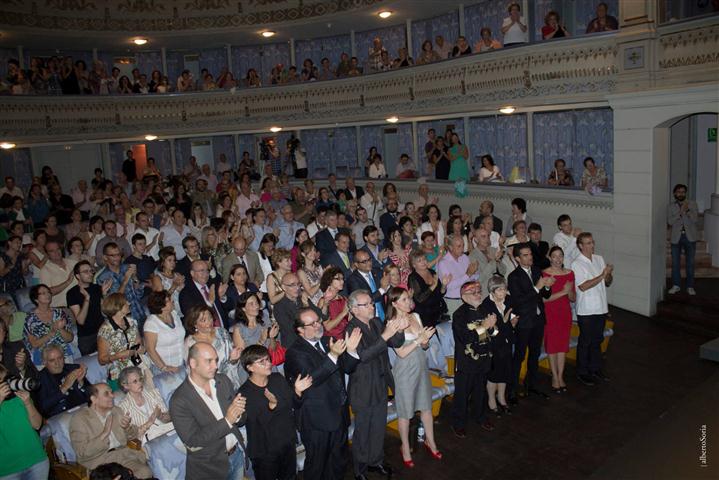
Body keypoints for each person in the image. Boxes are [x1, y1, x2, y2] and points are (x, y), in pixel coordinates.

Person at [284, 307, 361, 480]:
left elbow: (347, 368)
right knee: (317, 466)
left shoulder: (328, 341)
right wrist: (333, 355)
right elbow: (312, 380)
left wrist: (351, 351)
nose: (318, 325)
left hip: (339, 413)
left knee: (338, 461)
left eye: (318, 321)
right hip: (316, 420)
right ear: (300, 330)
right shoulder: (295, 353)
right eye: (312, 324)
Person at [346, 290, 407, 480]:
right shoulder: (351, 329)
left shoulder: (376, 322)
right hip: (363, 388)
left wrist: (399, 329)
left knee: (379, 427)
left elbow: (395, 342)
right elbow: (363, 356)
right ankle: (360, 470)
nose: (373, 306)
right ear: (355, 309)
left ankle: (376, 461)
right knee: (363, 432)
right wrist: (385, 336)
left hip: (380, 383)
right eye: (367, 304)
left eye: (372, 303)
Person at [170, 342, 247, 480]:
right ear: (192, 363)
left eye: (216, 360)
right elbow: (193, 440)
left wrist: (239, 413)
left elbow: (241, 418)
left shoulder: (223, 381)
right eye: (209, 361)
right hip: (210, 468)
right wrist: (228, 420)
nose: (216, 366)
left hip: (236, 456)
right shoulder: (179, 400)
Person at [238, 345, 312, 480]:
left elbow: (294, 405)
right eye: (262, 362)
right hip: (265, 452)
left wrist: (297, 392)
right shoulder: (244, 392)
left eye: (268, 359)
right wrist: (271, 406)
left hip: (287, 443)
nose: (268, 364)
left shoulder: (277, 378)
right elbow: (257, 423)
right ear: (250, 368)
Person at [386, 287, 441, 467]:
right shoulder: (392, 323)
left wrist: (425, 341)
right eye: (403, 300)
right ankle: (405, 446)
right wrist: (419, 340)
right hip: (404, 371)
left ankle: (430, 441)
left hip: (421, 366)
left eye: (408, 299)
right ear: (394, 303)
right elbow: (401, 353)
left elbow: (424, 346)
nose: (408, 302)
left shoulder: (416, 316)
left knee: (426, 407)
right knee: (405, 413)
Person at [69, 382, 152, 477]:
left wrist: (127, 428)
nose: (112, 396)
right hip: (100, 464)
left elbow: (133, 435)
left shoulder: (116, 411)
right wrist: (104, 434)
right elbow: (82, 452)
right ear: (94, 399)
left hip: (122, 457)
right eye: (106, 394)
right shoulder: (80, 419)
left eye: (111, 392)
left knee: (145, 472)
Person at [507, 244, 554, 402]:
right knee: (519, 356)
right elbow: (519, 302)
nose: (530, 257)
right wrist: (537, 288)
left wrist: (547, 287)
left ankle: (531, 384)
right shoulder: (513, 277)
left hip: (538, 319)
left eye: (530, 254)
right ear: (518, 258)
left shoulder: (536, 270)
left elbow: (545, 295)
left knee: (535, 354)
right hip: (524, 321)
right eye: (525, 255)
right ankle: (512, 390)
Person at [450, 281, 497, 438]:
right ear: (464, 297)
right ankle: (458, 423)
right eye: (474, 293)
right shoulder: (459, 315)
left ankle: (481, 417)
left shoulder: (485, 310)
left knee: (480, 391)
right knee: (462, 394)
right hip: (467, 361)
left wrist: (493, 327)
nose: (478, 295)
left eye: (479, 291)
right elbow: (466, 338)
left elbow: (493, 335)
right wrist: (484, 325)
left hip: (483, 358)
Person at [572, 232, 612, 386]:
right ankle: (582, 372)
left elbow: (607, 281)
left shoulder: (599, 259)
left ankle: (595, 368)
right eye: (587, 243)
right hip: (587, 309)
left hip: (601, 306)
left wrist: (607, 275)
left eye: (592, 242)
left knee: (597, 340)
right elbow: (583, 286)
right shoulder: (577, 263)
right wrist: (602, 275)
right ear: (581, 246)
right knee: (585, 341)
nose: (591, 246)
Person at [0, 363, 49, 480]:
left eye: (5, 379)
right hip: (8, 470)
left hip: (37, 460)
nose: (5, 384)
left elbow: (37, 425)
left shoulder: (17, 398)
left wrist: (27, 403)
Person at [542, 246, 575, 393]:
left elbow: (573, 297)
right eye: (554, 256)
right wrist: (564, 291)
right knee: (552, 346)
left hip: (565, 313)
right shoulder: (545, 274)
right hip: (550, 313)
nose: (557, 259)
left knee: (562, 346)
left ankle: (561, 376)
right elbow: (544, 299)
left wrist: (569, 293)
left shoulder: (569, 273)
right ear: (549, 257)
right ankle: (554, 376)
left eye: (560, 256)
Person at [97, 293, 145, 392]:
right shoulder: (105, 330)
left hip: (136, 369)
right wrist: (119, 355)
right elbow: (101, 359)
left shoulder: (131, 322)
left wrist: (140, 348)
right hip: (118, 375)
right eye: (125, 302)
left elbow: (139, 343)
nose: (129, 303)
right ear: (117, 307)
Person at [117, 366, 172, 445]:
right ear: (126, 385)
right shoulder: (123, 407)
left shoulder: (153, 393)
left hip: (165, 430)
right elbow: (130, 439)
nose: (140, 383)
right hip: (147, 441)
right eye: (135, 381)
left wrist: (161, 416)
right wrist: (149, 423)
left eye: (140, 379)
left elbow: (170, 418)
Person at [23, 284, 74, 368]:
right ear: (36, 299)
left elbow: (70, 338)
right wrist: (52, 332)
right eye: (43, 293)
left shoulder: (59, 313)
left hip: (63, 353)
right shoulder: (30, 319)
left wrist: (60, 329)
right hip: (44, 357)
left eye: (48, 292)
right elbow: (34, 344)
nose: (48, 295)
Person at [36, 344, 90, 418]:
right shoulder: (40, 379)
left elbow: (93, 395)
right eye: (52, 360)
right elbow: (43, 408)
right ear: (44, 362)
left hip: (84, 410)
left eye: (60, 358)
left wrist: (81, 383)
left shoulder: (73, 369)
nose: (57, 363)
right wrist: (64, 388)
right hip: (62, 417)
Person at [143, 290, 185, 375]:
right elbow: (150, 349)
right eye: (169, 300)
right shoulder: (151, 323)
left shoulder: (174, 315)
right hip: (164, 369)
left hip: (181, 364)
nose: (172, 301)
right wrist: (164, 367)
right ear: (161, 306)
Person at [179, 260, 230, 329]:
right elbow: (192, 318)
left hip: (223, 330)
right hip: (204, 334)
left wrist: (222, 297)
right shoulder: (186, 294)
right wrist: (209, 303)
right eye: (201, 271)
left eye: (207, 271)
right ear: (192, 273)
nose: (205, 274)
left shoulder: (213, 285)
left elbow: (229, 307)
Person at [667, 184, 698, 295]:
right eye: (679, 192)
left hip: (690, 237)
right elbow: (670, 222)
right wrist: (680, 213)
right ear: (675, 193)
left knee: (690, 263)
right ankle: (676, 285)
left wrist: (687, 210)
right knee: (675, 264)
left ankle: (690, 287)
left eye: (683, 191)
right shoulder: (670, 206)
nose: (681, 193)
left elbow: (695, 219)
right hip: (676, 238)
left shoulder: (692, 204)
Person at [469, 228, 507, 300]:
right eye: (483, 236)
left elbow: (503, 271)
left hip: (499, 292)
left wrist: (498, 261)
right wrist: (493, 261)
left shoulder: (493, 250)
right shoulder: (472, 256)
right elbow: (479, 280)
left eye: (488, 236)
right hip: (485, 295)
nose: (487, 239)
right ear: (476, 240)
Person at [317, 266, 350, 340]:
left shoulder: (344, 298)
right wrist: (344, 313)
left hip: (347, 337)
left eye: (342, 279)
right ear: (329, 280)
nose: (342, 281)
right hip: (333, 340)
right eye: (338, 279)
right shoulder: (323, 301)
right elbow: (328, 327)